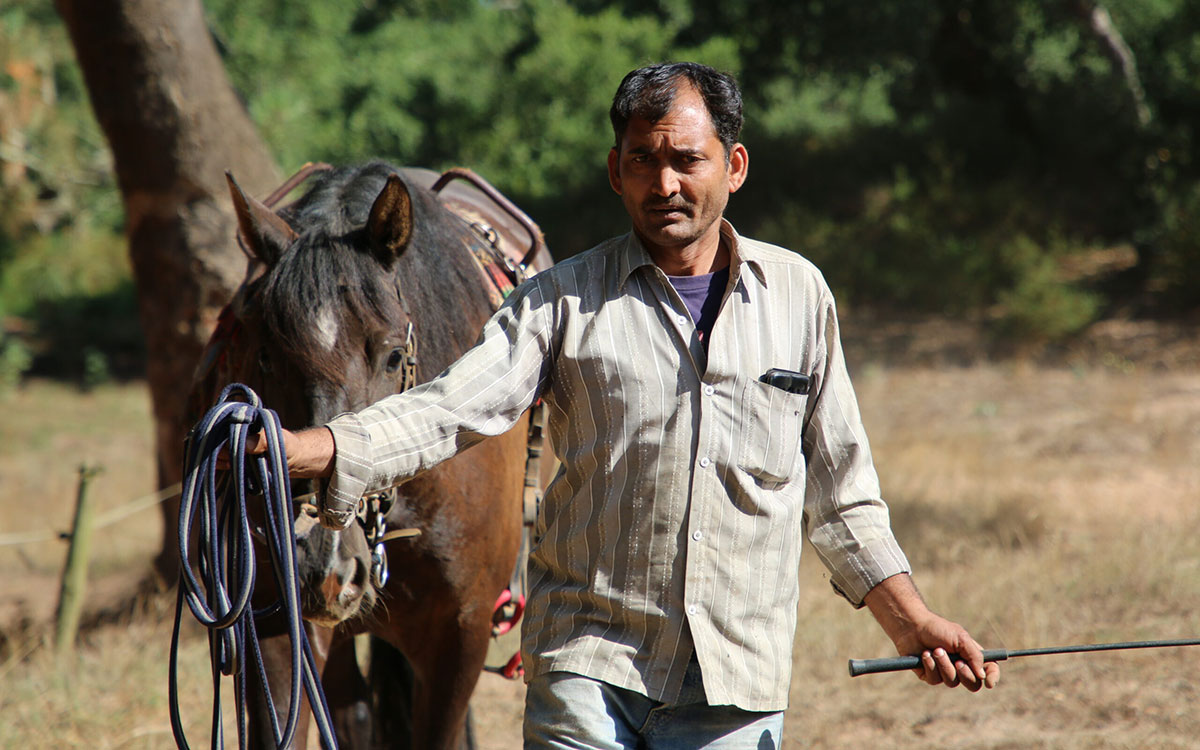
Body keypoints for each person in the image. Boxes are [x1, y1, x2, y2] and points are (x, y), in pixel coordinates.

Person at [266, 62, 1000, 748]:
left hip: (735, 678)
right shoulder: (561, 302)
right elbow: (449, 410)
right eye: (644, 160)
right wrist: (312, 449)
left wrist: (913, 624)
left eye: (687, 159)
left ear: (733, 167)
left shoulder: (799, 298)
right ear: (617, 172)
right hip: (589, 665)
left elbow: (843, 498)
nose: (666, 183)